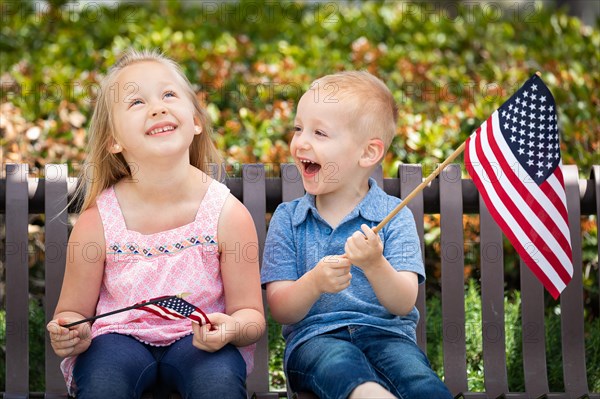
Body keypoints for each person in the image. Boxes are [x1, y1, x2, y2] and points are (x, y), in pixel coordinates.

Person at [46, 49, 265, 399]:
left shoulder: (225, 213)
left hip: (200, 342)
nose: (158, 107)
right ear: (113, 141)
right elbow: (73, 311)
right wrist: (71, 330)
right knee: (103, 383)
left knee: (218, 384)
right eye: (136, 102)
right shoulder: (99, 221)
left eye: (169, 95)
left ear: (196, 121)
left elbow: (251, 316)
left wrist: (231, 329)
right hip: (116, 342)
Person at [261, 71, 452, 399]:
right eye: (298, 128)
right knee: (341, 365)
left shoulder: (393, 218)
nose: (301, 141)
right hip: (316, 341)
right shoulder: (289, 219)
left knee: (419, 381)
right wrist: (315, 282)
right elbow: (281, 309)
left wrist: (375, 264)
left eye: (319, 132)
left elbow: (403, 302)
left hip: (388, 337)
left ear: (367, 153)